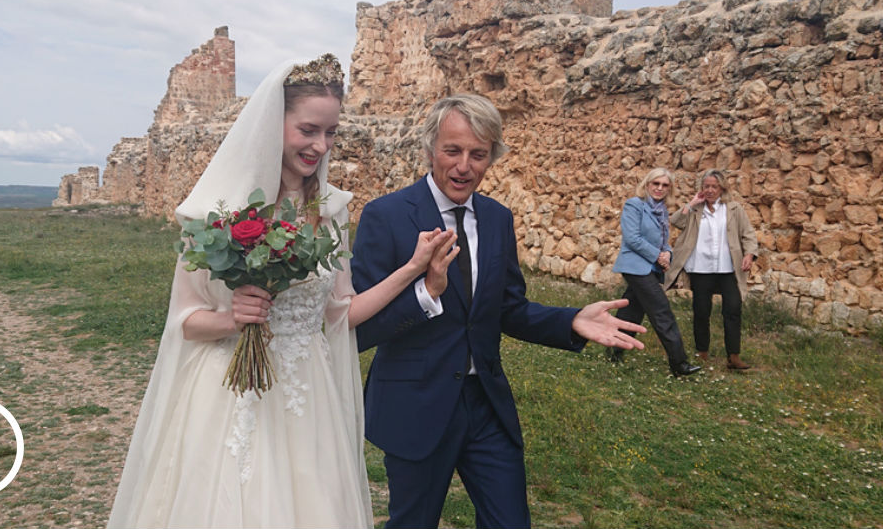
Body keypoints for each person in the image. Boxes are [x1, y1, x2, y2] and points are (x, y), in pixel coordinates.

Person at [107, 54, 457, 529]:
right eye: (309, 130)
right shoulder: (217, 210)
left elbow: (340, 314)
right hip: (231, 392)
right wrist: (234, 318)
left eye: (331, 133)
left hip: (308, 395)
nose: (320, 145)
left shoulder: (331, 211)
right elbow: (185, 322)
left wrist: (412, 269)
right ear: (276, 123)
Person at [350, 93, 647, 529]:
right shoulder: (386, 216)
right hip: (416, 403)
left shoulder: (497, 218)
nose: (464, 166)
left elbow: (508, 308)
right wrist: (426, 294)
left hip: (486, 406)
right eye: (452, 151)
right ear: (431, 147)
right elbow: (361, 329)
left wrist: (571, 321)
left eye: (478, 154)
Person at [609, 167, 701, 377]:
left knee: (631, 312)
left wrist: (667, 253)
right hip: (635, 267)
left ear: (669, 189)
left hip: (651, 268)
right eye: (656, 184)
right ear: (647, 185)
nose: (659, 188)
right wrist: (657, 255)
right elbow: (632, 239)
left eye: (664, 185)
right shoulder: (634, 205)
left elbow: (664, 242)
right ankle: (679, 364)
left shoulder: (662, 211)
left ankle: (614, 351)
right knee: (661, 311)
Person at [664, 169, 758, 370]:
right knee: (701, 311)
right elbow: (674, 222)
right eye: (706, 186)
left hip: (727, 268)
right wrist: (691, 204)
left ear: (722, 188)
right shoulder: (696, 210)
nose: (710, 190)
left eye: (714, 186)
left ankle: (733, 356)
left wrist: (749, 254)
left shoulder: (734, 209)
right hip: (701, 269)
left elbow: (748, 234)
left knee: (733, 310)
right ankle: (702, 353)